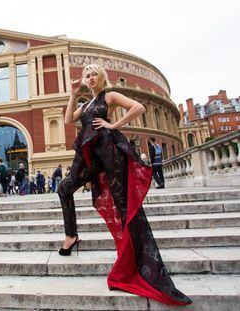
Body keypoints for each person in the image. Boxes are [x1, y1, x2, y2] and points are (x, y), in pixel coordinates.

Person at [57, 64, 191, 305]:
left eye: (93, 74)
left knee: (122, 204)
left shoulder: (110, 95)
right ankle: (71, 235)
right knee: (64, 188)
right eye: (86, 75)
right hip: (88, 154)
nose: (89, 78)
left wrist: (112, 125)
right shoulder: (86, 103)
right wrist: (74, 94)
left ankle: (133, 260)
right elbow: (68, 120)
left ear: (101, 77)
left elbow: (138, 107)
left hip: (109, 152)